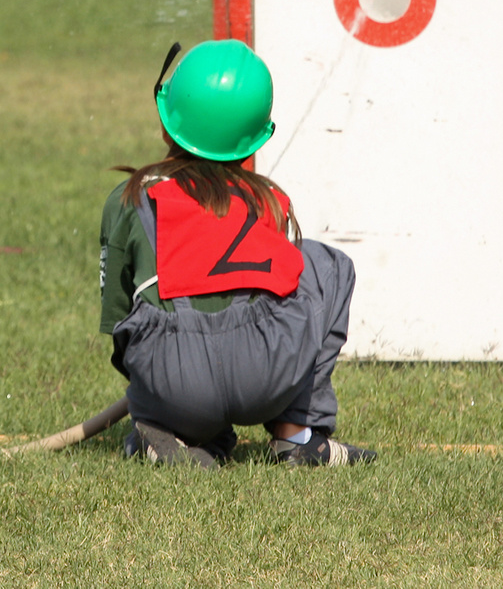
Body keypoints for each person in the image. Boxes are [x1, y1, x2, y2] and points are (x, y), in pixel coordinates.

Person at [98, 40, 376, 469]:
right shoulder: (268, 201)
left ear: (168, 121)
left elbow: (119, 326)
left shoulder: (132, 198)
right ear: (252, 141)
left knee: (153, 322)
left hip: (176, 380)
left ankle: (173, 433)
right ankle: (297, 434)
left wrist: (169, 396)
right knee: (328, 264)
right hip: (269, 375)